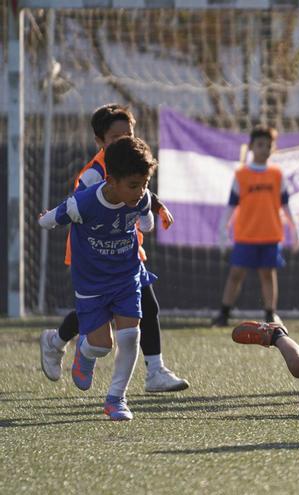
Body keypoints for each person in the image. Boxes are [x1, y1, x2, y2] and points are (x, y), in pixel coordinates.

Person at [39, 103, 189, 393]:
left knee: (147, 305)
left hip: (126, 252)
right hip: (93, 255)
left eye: (129, 134)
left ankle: (155, 371)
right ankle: (56, 341)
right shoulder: (93, 175)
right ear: (100, 141)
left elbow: (141, 192)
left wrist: (155, 205)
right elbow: (81, 207)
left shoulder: (133, 161)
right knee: (100, 312)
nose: (125, 140)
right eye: (116, 137)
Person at [38, 136, 159, 420]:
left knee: (130, 336)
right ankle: (83, 349)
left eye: (145, 184)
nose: (140, 191)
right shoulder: (83, 204)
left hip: (127, 275)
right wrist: (46, 219)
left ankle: (117, 399)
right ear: (111, 180)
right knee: (101, 346)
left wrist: (148, 220)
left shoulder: (141, 197)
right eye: (133, 185)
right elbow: (51, 218)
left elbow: (146, 216)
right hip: (91, 282)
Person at [211, 125, 299, 327]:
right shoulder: (241, 175)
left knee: (268, 275)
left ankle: (270, 313)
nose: (264, 149)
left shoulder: (277, 175)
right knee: (236, 274)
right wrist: (222, 230)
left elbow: (286, 205)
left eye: (268, 145)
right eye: (260, 144)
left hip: (270, 235)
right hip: (246, 235)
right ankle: (224, 313)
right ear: (251, 146)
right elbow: (231, 206)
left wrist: (296, 228)